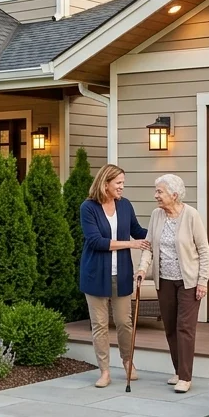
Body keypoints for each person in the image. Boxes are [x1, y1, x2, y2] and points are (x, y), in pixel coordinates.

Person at [136, 173, 209, 393]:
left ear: (174, 194)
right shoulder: (156, 215)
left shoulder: (191, 215)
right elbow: (149, 246)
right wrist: (142, 268)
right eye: (156, 191)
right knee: (170, 328)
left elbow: (204, 251)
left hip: (189, 282)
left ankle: (185, 377)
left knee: (184, 328)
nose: (156, 195)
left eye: (160, 191)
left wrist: (203, 281)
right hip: (164, 281)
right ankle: (179, 370)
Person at [79, 164, 149, 388]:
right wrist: (131, 244)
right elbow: (96, 241)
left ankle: (128, 362)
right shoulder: (88, 208)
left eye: (123, 183)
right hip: (95, 275)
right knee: (100, 325)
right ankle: (105, 371)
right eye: (118, 183)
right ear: (105, 183)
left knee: (124, 323)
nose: (121, 187)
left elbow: (138, 231)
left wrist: (161, 232)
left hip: (122, 274)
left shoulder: (125, 205)